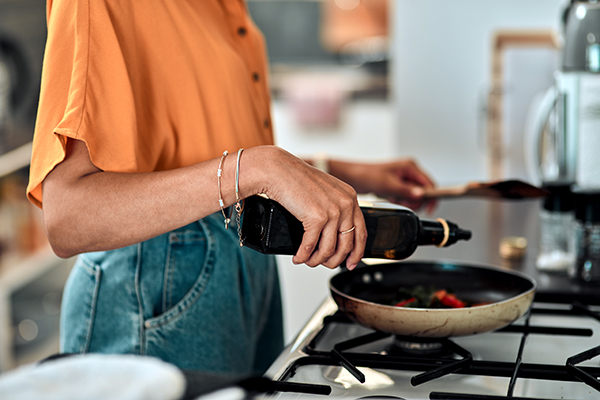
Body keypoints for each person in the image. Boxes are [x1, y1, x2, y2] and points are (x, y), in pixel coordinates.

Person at [27, 0, 435, 378]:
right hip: (157, 288)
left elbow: (219, 157)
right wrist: (260, 167)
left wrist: (345, 173)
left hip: (244, 267)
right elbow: (68, 216)